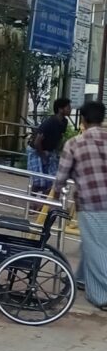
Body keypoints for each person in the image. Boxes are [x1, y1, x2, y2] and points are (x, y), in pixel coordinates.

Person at [54, 100, 107, 309]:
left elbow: (61, 176)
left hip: (92, 203)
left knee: (97, 248)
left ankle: (102, 296)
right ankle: (82, 279)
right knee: (92, 244)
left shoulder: (75, 143)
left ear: (83, 120)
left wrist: (56, 194)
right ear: (102, 119)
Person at [29, 97, 71, 198]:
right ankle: (32, 202)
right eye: (68, 107)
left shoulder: (64, 122)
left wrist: (57, 151)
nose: (70, 109)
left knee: (50, 181)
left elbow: (59, 138)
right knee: (39, 182)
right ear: (60, 109)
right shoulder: (50, 123)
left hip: (49, 151)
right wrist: (43, 155)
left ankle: (43, 203)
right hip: (37, 151)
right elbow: (37, 142)